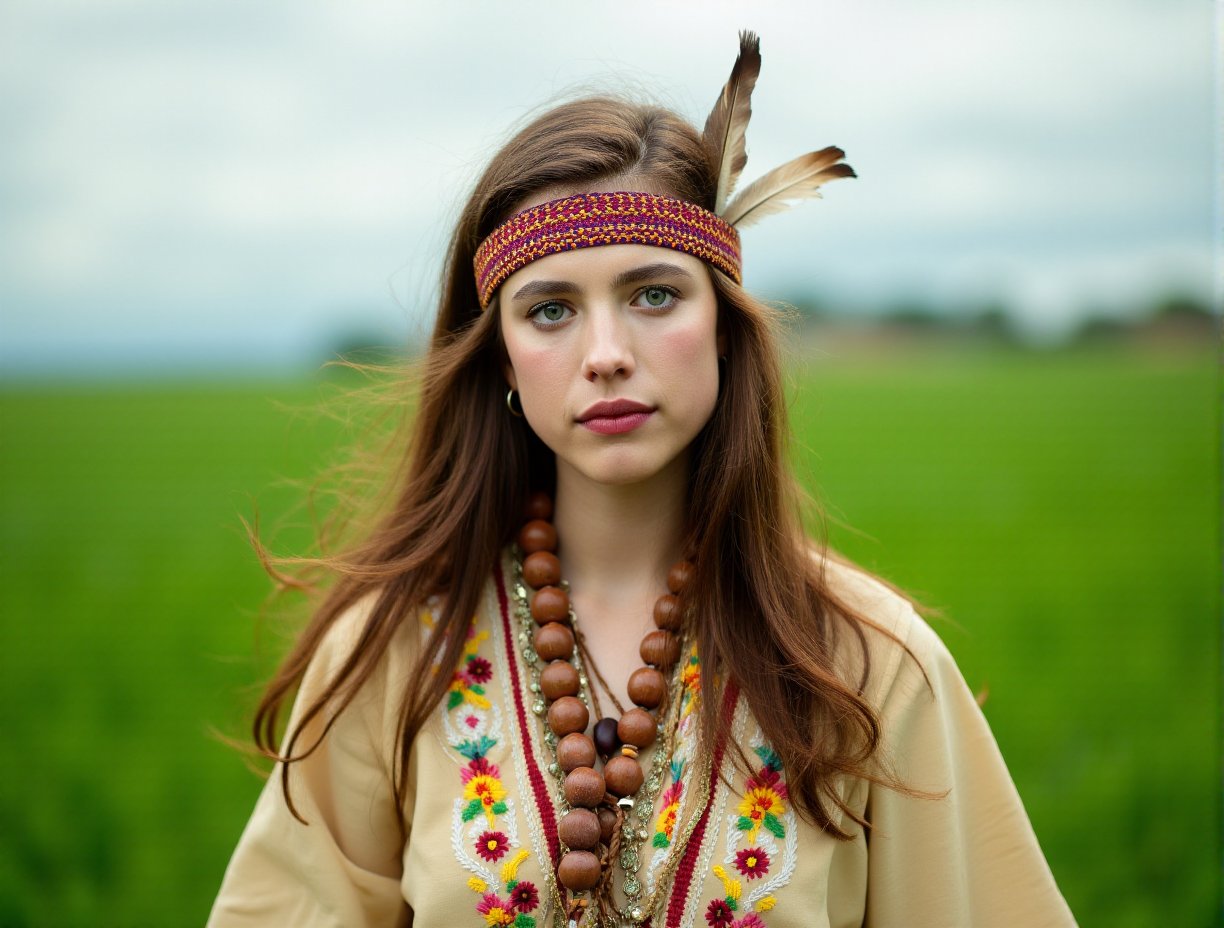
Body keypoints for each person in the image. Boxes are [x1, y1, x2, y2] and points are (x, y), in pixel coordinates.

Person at [208, 32, 1076, 928]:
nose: (607, 356)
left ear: (725, 327)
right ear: (502, 359)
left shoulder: (868, 663)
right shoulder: (393, 654)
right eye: (550, 311)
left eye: (654, 295)